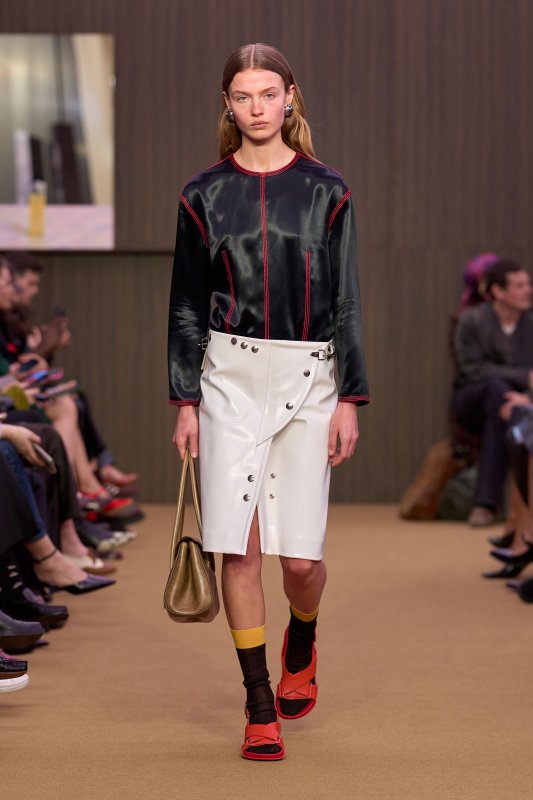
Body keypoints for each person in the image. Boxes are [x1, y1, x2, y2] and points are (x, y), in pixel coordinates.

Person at [168, 43, 369, 761]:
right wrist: (184, 399)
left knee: (301, 562)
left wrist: (350, 397)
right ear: (227, 104)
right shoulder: (202, 194)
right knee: (239, 546)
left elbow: (345, 300)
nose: (256, 108)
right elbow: (186, 304)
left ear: (290, 98)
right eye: (242, 96)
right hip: (228, 378)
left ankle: (302, 637)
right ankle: (258, 704)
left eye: (267, 94)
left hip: (311, 380)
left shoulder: (326, 189)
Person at [452, 259, 533, 527]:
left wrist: (528, 397)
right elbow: (473, 369)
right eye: (519, 285)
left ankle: (486, 504)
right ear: (498, 291)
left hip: (518, 403)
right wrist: (524, 378)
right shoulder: (472, 320)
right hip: (472, 399)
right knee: (498, 392)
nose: (528, 290)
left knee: (505, 407)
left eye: (528, 284)